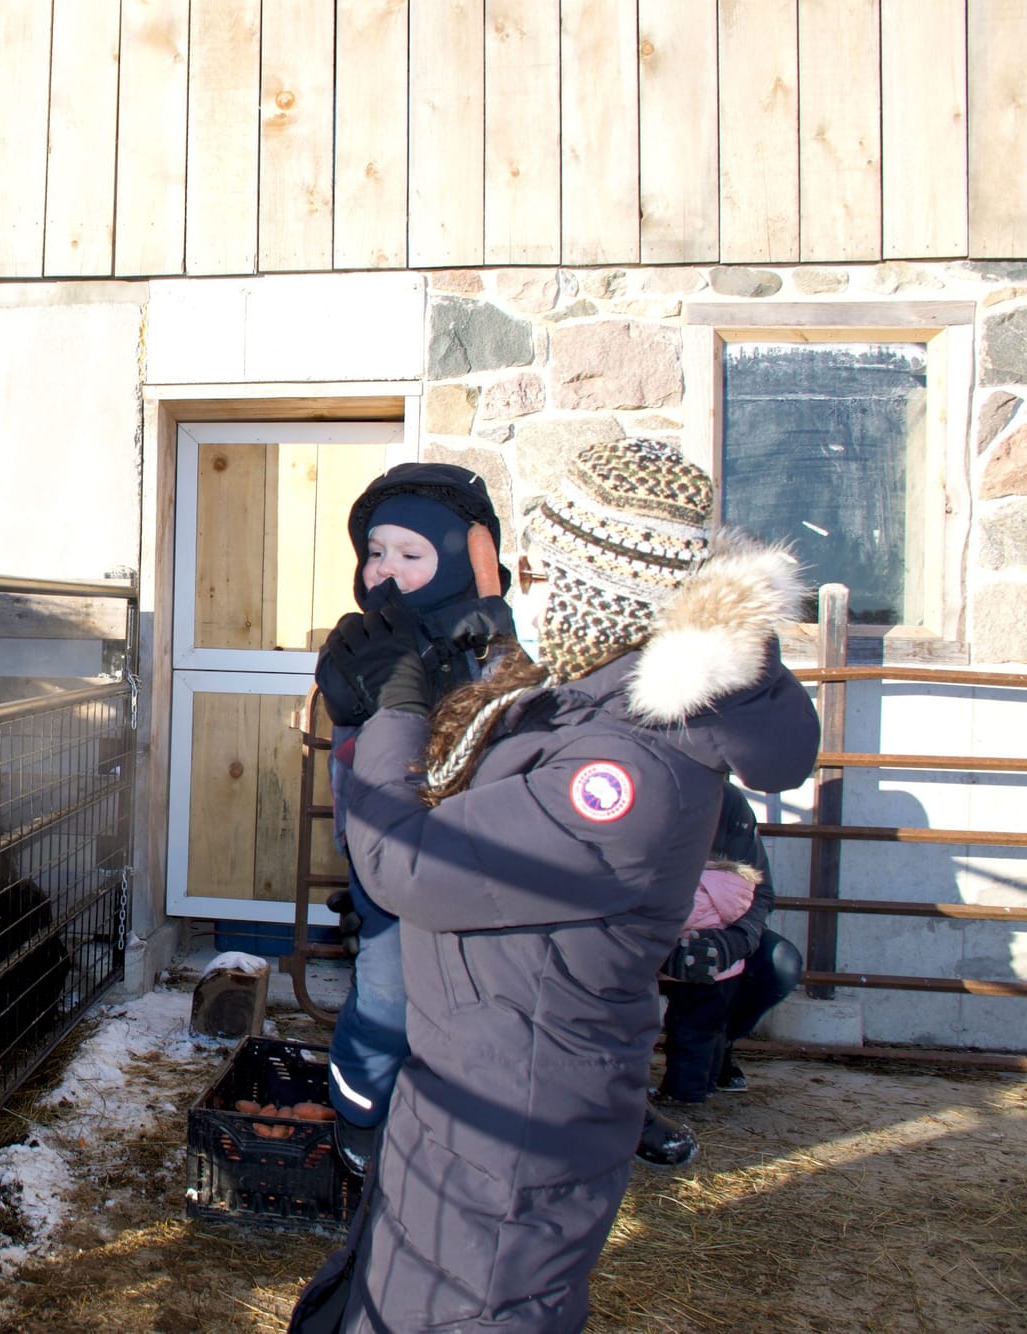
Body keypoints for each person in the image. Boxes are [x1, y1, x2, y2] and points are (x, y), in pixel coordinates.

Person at [288, 438, 820, 1334]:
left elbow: (407, 863)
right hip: (480, 1083)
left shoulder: (630, 772)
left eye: (539, 568)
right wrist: (496, 665)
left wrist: (398, 709)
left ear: (595, 588)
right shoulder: (620, 707)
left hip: (514, 1132)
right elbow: (534, 758)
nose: (522, 586)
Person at [314, 464, 514, 1177]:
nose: (386, 571)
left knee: (483, 995)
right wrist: (392, 676)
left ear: (463, 559)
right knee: (390, 989)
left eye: (411, 553)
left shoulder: (489, 638)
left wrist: (491, 646)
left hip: (477, 852)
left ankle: (459, 1132)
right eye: (375, 552)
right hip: (389, 850)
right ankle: (361, 1114)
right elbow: (349, 715)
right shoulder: (358, 639)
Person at [656, 782, 803, 1105]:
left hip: (707, 939)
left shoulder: (726, 800)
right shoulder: (616, 788)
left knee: (779, 964)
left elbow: (759, 891)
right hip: (637, 937)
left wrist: (732, 943)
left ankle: (721, 1045)